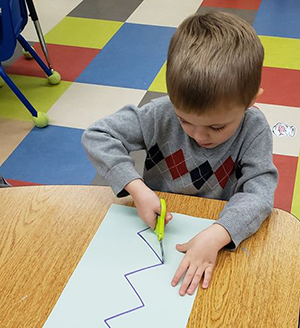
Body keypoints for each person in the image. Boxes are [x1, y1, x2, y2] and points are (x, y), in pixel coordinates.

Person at [82, 11, 278, 296]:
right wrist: (137, 189)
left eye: (216, 126)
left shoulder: (254, 128)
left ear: (250, 101)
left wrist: (218, 234)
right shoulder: (160, 114)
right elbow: (98, 136)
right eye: (185, 121)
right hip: (158, 224)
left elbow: (259, 194)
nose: (199, 136)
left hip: (219, 229)